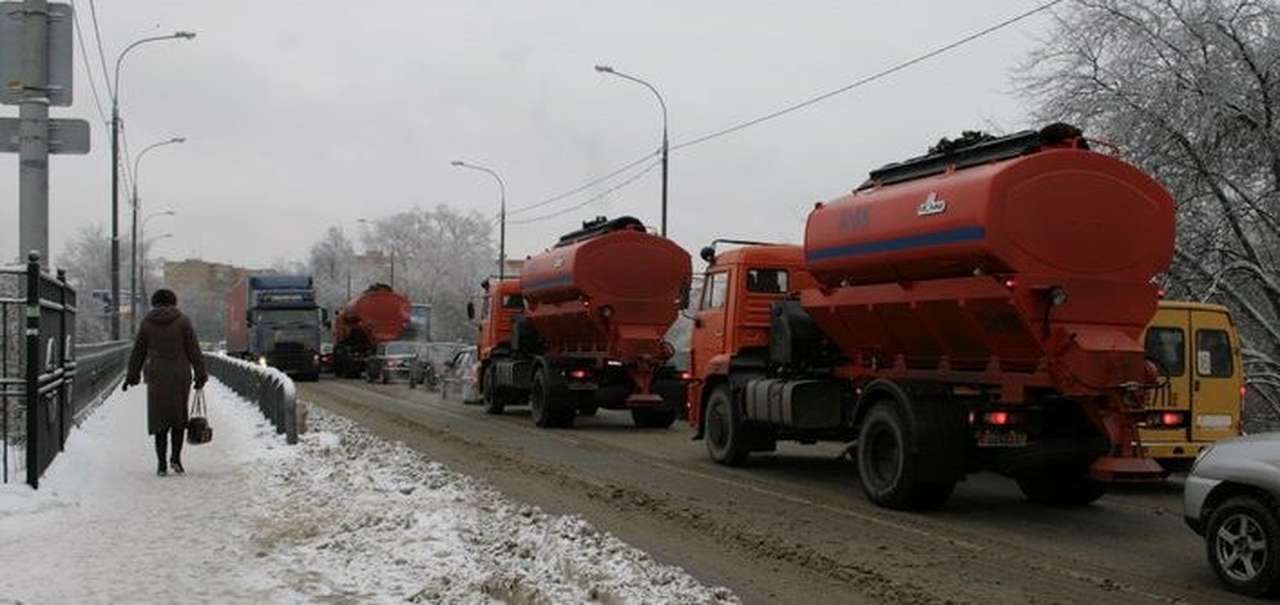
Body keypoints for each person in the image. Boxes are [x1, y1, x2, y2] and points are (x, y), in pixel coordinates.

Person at [124, 288, 208, 477]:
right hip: (180, 375)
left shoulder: (147, 323)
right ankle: (176, 460)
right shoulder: (183, 321)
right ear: (173, 301)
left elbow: (138, 352)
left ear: (154, 302)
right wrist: (200, 374)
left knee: (159, 420)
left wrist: (132, 376)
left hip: (157, 375)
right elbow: (194, 350)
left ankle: (161, 465)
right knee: (178, 419)